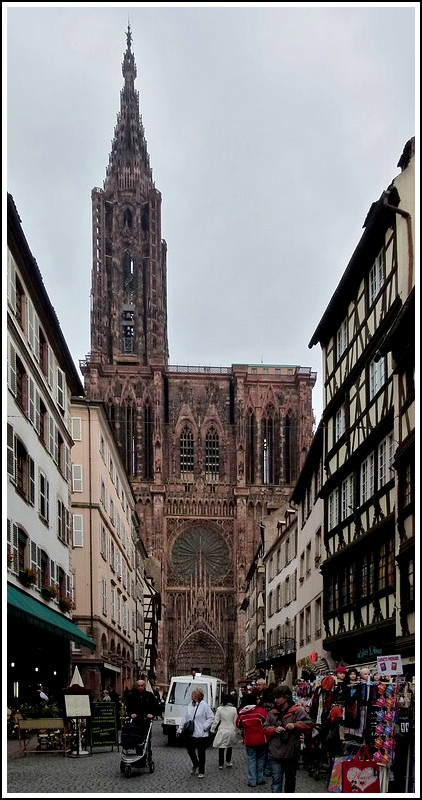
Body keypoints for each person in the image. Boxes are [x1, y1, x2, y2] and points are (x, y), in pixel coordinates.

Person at [264, 683, 313, 793]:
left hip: (291, 753)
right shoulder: (272, 713)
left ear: (286, 698)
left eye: (278, 697)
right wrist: (274, 729)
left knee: (290, 782)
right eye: (274, 697)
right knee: (276, 782)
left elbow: (309, 724)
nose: (275, 700)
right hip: (275, 753)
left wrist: (295, 725)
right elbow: (265, 728)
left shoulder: (297, 711)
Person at [176, 687, 214, 779]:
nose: (191, 695)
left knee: (201, 753)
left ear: (198, 695)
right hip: (191, 733)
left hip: (201, 734)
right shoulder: (190, 705)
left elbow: (211, 717)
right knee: (190, 751)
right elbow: (185, 718)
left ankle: (201, 770)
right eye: (192, 694)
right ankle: (195, 764)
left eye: (193, 694)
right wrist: (179, 729)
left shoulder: (204, 705)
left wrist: (205, 727)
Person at [236, 696, 269, 787]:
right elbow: (268, 719)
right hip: (261, 739)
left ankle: (252, 780)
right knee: (261, 759)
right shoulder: (260, 711)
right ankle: (260, 778)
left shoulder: (242, 713)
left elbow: (238, 724)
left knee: (251, 759)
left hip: (249, 740)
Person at [211, 692, 238, 769]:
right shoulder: (234, 709)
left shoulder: (219, 709)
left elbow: (216, 720)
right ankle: (228, 761)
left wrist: (212, 728)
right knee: (229, 746)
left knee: (221, 747)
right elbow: (235, 721)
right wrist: (237, 730)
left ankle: (220, 764)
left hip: (222, 729)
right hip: (231, 729)